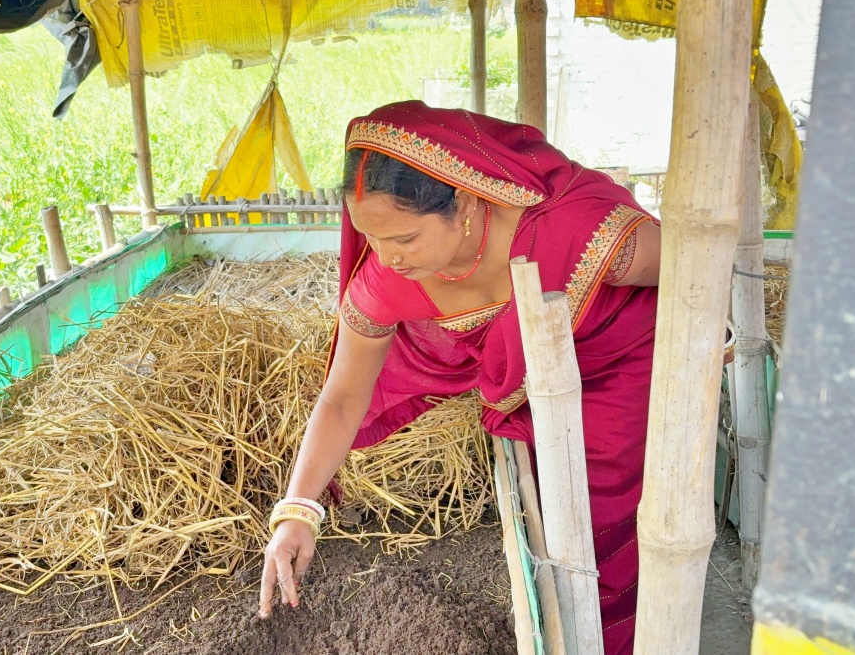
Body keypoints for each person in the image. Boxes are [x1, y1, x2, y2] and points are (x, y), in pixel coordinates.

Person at [258, 101, 661, 654]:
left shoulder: (580, 237)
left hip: (623, 364)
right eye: (370, 238)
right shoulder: (387, 280)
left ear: (465, 202)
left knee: (608, 523)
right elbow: (343, 397)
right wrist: (297, 511)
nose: (386, 258)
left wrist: (712, 334)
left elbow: (693, 267)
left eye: (404, 239)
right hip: (538, 389)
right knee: (558, 518)